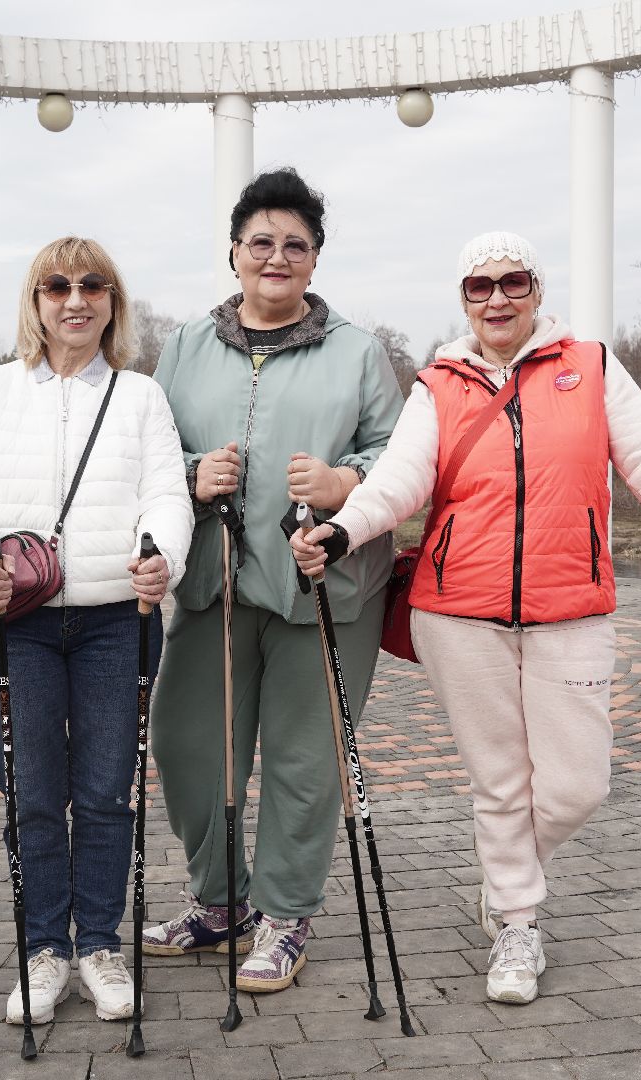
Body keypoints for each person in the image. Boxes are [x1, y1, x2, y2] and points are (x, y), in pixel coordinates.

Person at [290, 231, 641, 1005]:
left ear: (535, 289)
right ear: (463, 298)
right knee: (499, 782)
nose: (496, 297)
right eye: (478, 285)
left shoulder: (589, 368)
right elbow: (399, 480)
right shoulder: (440, 383)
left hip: (572, 609)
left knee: (574, 787)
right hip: (457, 613)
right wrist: (342, 527)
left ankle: (503, 877)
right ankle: (518, 923)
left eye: (512, 281)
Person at [144, 168, 403, 993]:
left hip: (321, 589)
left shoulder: (359, 351)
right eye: (262, 242)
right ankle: (222, 905)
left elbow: (398, 458)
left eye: (296, 244)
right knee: (188, 747)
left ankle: (285, 914)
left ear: (315, 260)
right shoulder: (182, 346)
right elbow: (146, 453)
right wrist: (190, 473)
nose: (277, 256)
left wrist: (343, 483)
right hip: (212, 588)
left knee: (304, 760)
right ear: (233, 253)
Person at [0, 237, 193, 1025]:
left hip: (117, 619)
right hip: (16, 623)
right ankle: (43, 948)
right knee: (34, 793)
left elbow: (166, 494)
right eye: (57, 285)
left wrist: (163, 559)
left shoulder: (140, 397)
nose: (74, 299)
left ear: (113, 302)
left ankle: (99, 945)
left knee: (106, 792)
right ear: (35, 300)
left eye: (92, 285)